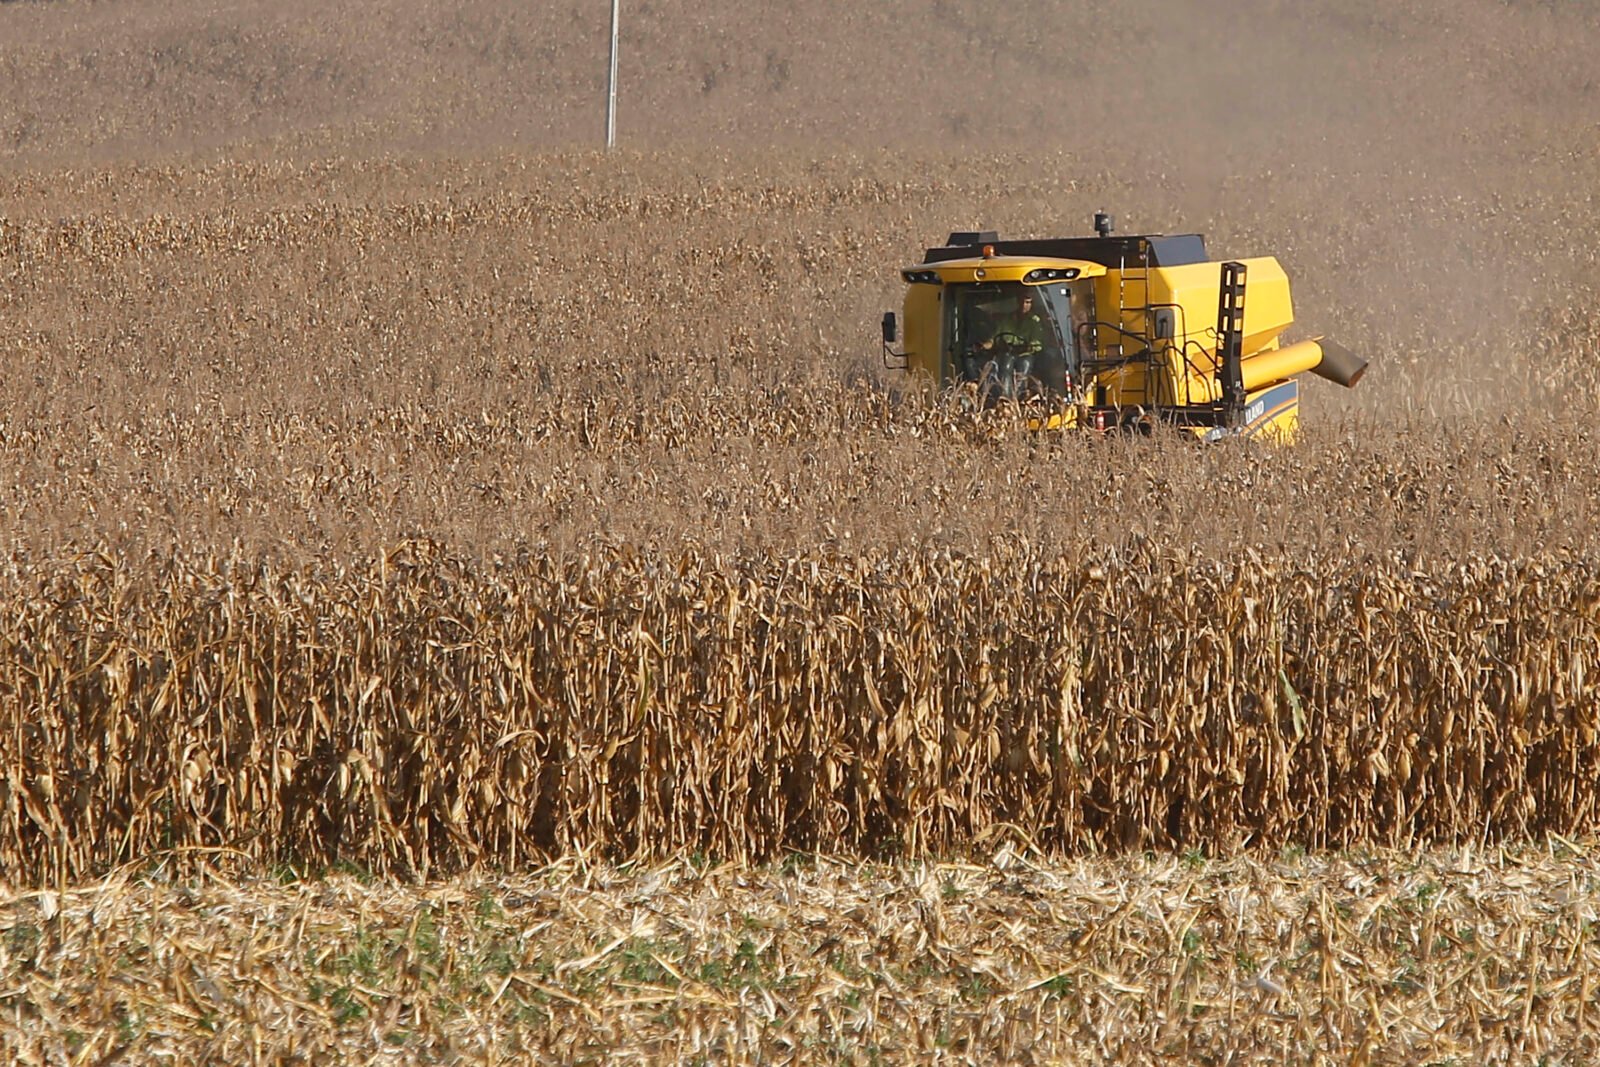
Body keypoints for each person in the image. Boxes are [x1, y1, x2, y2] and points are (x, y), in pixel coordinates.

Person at [978, 288, 1049, 358]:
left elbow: (1037, 343)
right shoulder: (1006, 319)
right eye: (1022, 301)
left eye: (1027, 302)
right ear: (1018, 301)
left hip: (1024, 356)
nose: (1024, 305)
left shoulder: (1035, 321)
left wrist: (1027, 348)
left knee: (1024, 365)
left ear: (1032, 304)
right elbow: (994, 338)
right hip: (1005, 355)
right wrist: (984, 345)